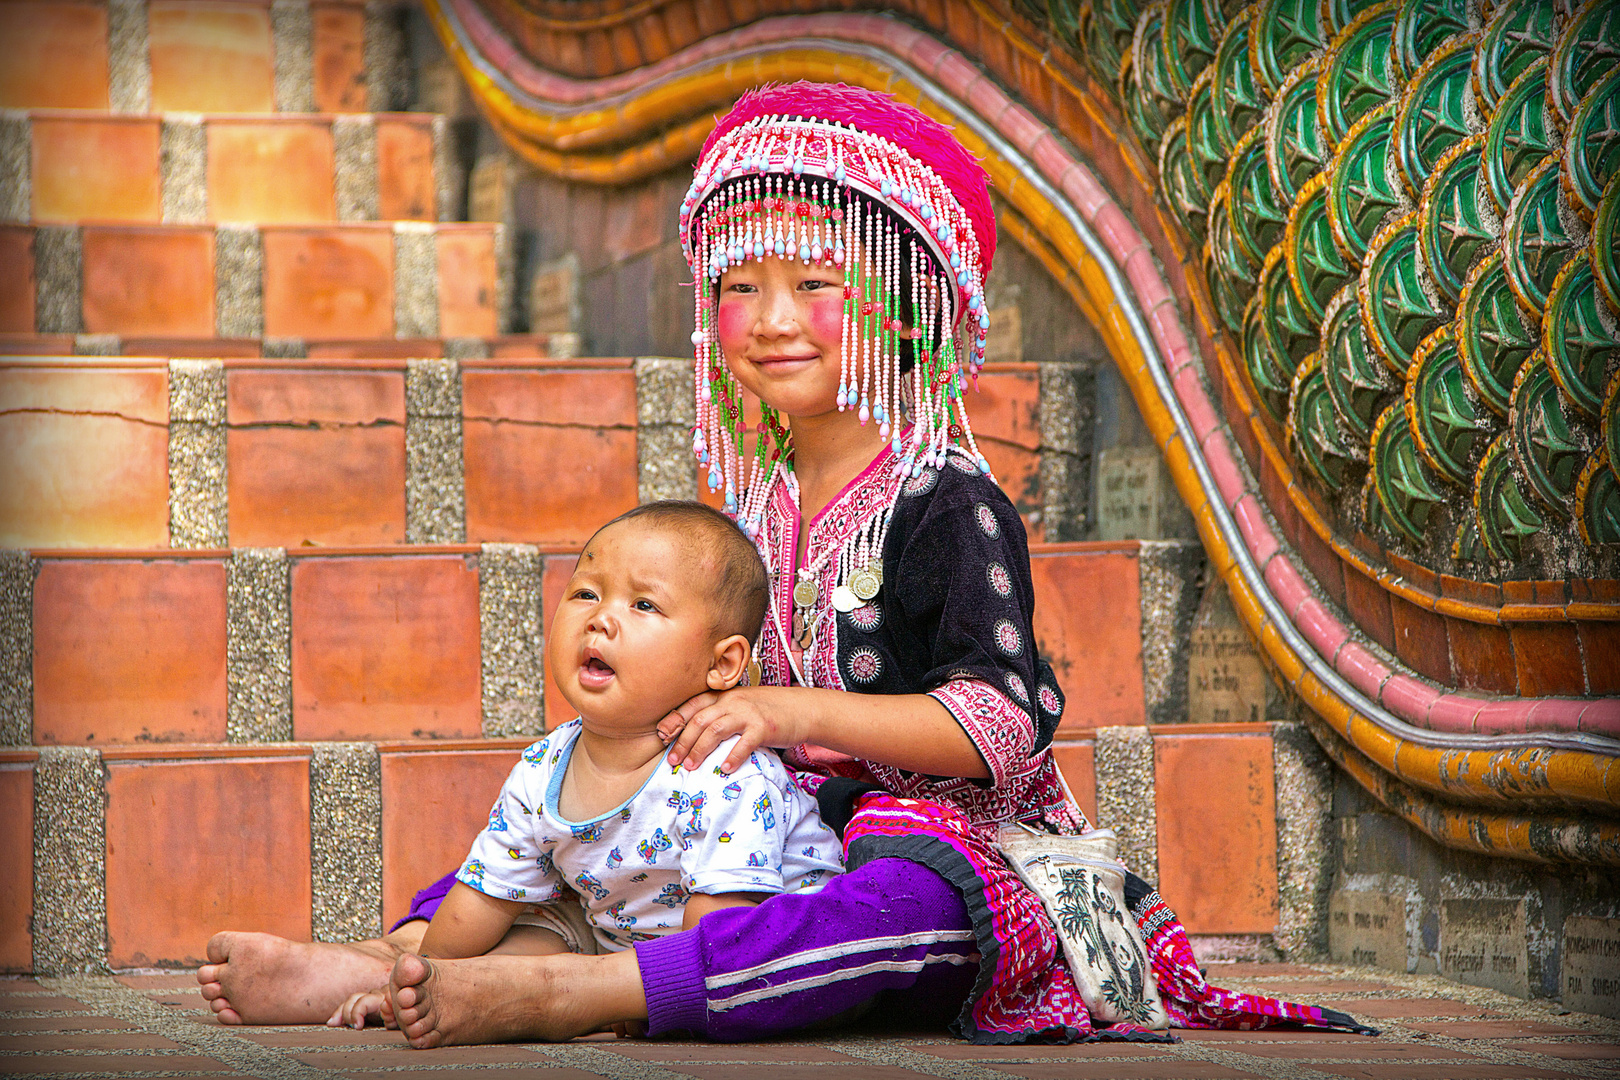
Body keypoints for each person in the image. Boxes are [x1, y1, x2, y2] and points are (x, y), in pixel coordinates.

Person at [199, 81, 1368, 1049]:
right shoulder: (747, 504)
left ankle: (574, 990)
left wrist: (773, 706)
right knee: (575, 829)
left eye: (818, 281)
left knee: (901, 917)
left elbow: (1001, 728)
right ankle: (384, 960)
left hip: (932, 840)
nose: (770, 317)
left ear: (909, 302)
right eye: (740, 285)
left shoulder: (944, 498)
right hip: (756, 828)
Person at [323, 501, 844, 1031]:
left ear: (722, 664)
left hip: (755, 965)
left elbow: (719, 935)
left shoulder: (725, 773)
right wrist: (421, 978)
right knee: (533, 929)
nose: (601, 618)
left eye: (643, 604)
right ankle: (434, 989)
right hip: (614, 953)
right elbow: (481, 899)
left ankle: (542, 1001)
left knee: (735, 978)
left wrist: (646, 999)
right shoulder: (544, 766)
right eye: (586, 594)